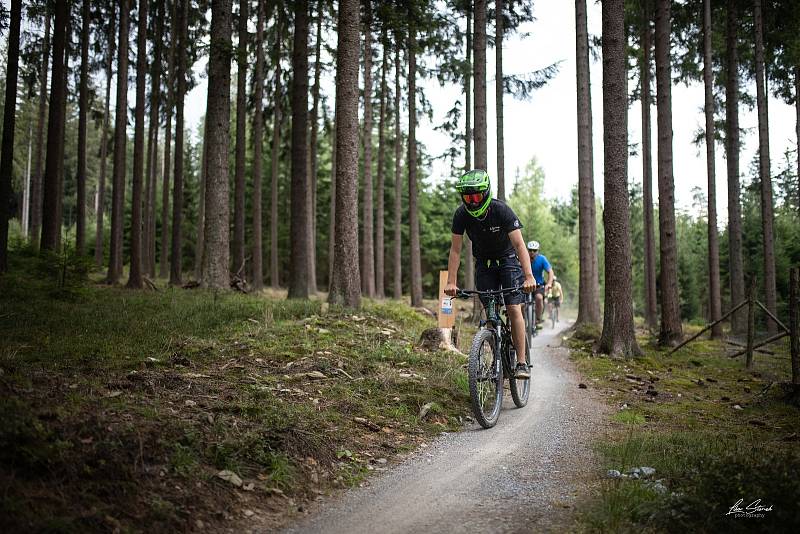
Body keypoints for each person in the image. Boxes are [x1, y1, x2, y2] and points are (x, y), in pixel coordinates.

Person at [444, 170, 536, 379]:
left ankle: (521, 362)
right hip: (484, 265)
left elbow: (519, 244)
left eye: (476, 196)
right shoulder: (461, 215)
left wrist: (529, 276)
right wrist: (451, 281)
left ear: (485, 194)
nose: (473, 202)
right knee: (490, 314)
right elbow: (456, 250)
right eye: (468, 197)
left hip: (508, 261)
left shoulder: (501, 210)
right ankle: (497, 361)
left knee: (513, 308)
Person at [527, 240, 555, 327]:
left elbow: (550, 272)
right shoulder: (524, 257)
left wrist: (549, 283)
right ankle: (523, 321)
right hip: (526, 285)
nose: (532, 252)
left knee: (539, 298)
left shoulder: (542, 259)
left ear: (538, 251)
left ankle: (538, 318)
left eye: (534, 250)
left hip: (539, 284)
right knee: (522, 305)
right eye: (530, 250)